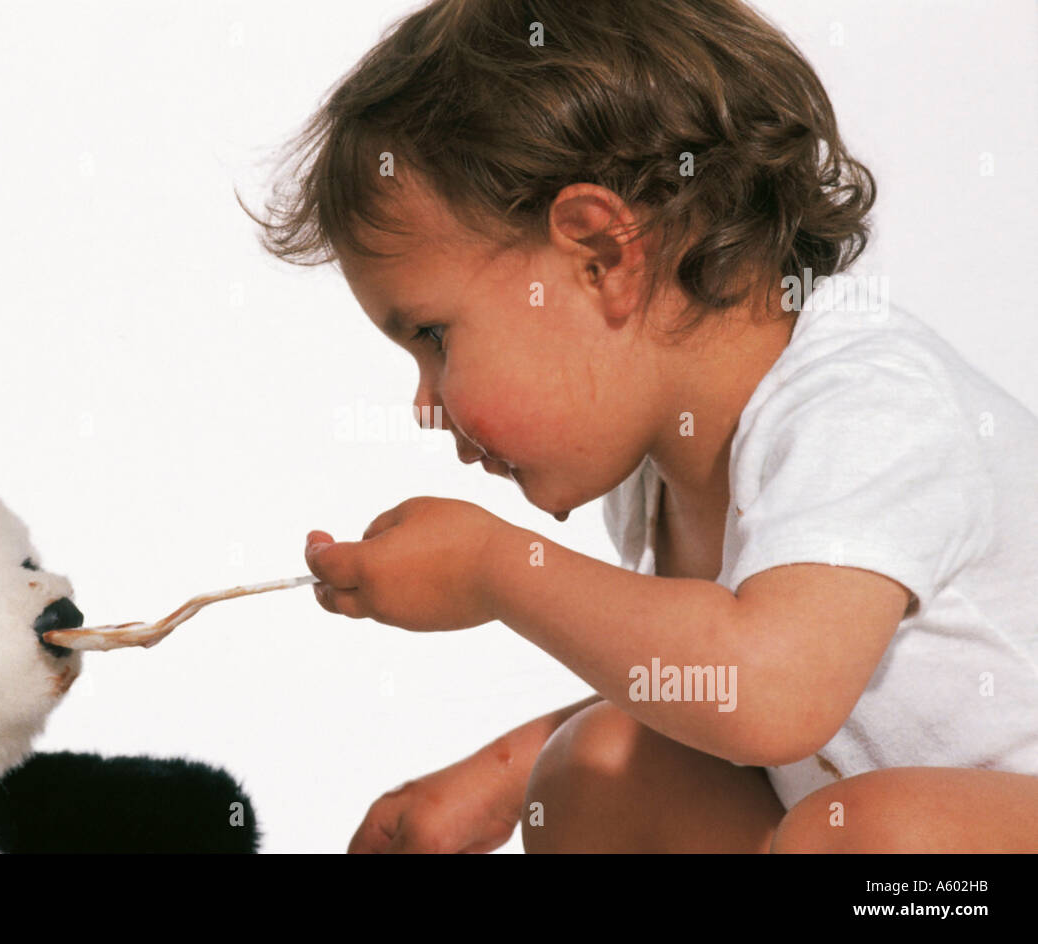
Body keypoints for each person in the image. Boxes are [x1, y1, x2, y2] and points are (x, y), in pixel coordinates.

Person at [245, 0, 1038, 852]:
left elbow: (769, 691)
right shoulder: (664, 468)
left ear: (601, 258)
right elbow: (702, 673)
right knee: (599, 770)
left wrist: (494, 568)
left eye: (434, 338)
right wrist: (506, 771)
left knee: (869, 837)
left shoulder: (867, 406)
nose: (424, 403)